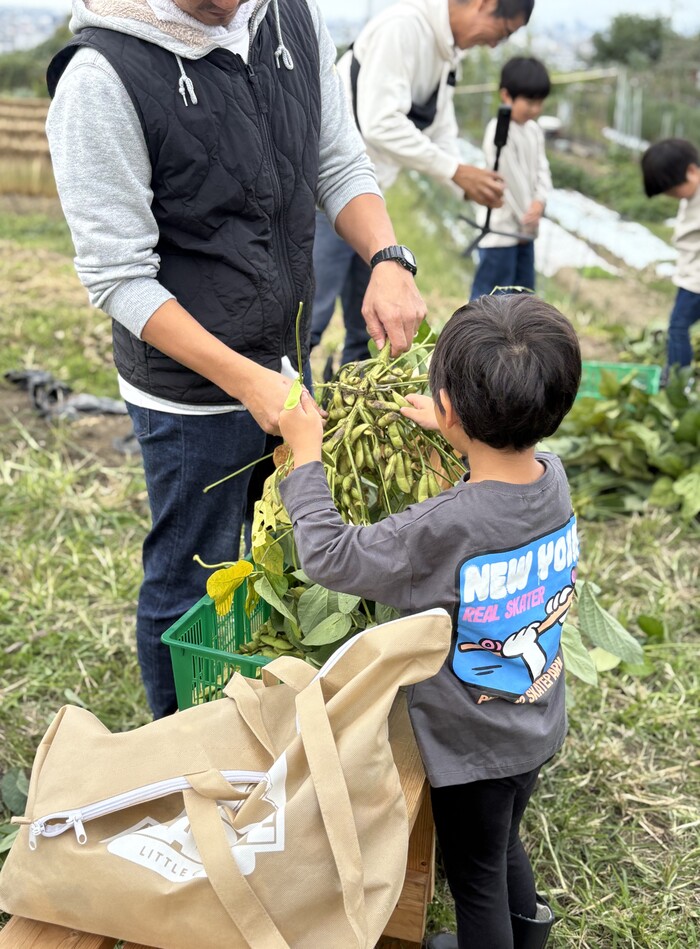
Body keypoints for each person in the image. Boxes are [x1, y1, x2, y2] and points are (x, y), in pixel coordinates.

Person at [45, 0, 426, 720]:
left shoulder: (291, 17)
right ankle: (176, 740)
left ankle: (248, 717)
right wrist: (246, 379)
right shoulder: (100, 76)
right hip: (189, 394)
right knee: (191, 572)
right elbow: (118, 277)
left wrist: (387, 257)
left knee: (270, 552)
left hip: (282, 361)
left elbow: (336, 160)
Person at [278, 292, 582, 949]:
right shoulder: (553, 480)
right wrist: (454, 430)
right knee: (501, 841)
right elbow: (497, 487)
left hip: (471, 743)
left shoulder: (442, 526)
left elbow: (329, 555)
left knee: (474, 876)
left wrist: (306, 457)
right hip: (533, 715)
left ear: (449, 406)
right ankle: (530, 934)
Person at [310, 0, 535, 366]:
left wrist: (467, 184)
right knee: (311, 317)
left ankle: (351, 394)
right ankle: (288, 397)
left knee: (367, 327)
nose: (496, 44)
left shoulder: (446, 53)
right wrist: (454, 171)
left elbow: (441, 130)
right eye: (503, 31)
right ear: (485, 4)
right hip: (330, 196)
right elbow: (380, 123)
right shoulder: (403, 28)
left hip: (370, 198)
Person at [470, 55, 552, 299]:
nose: (535, 109)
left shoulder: (533, 130)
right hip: (502, 232)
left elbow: (542, 169)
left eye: (540, 102)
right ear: (506, 96)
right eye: (530, 102)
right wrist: (528, 218)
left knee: (523, 300)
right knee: (491, 301)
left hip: (525, 231)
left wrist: (540, 201)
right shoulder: (500, 130)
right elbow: (509, 183)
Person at [641, 138, 700, 379]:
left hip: (696, 280)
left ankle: (678, 381)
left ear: (692, 171)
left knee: (678, 327)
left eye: (673, 190)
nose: (672, 196)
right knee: (678, 326)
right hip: (690, 276)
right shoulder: (691, 195)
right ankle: (676, 374)